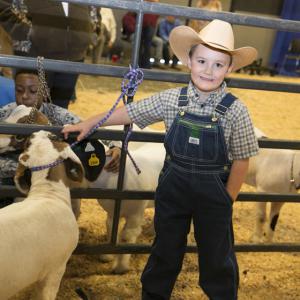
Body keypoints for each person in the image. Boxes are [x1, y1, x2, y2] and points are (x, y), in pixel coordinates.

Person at [62, 19, 258, 299]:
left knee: (217, 257)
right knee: (165, 250)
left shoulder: (236, 111)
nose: (208, 70)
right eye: (202, 60)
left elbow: (242, 159)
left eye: (218, 64)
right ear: (189, 61)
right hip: (173, 189)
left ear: (229, 68)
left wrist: (227, 199)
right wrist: (90, 123)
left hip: (214, 195)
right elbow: (132, 112)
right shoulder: (171, 100)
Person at [0, 69, 121, 207]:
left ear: (45, 92)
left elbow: (88, 126)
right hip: (8, 176)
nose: (25, 96)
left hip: (42, 177)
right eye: (19, 90)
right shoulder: (8, 111)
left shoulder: (56, 114)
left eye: (33, 91)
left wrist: (115, 145)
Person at [0, 1, 94, 109]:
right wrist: (25, 31)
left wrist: (90, 31)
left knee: (61, 110)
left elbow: (94, 7)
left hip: (74, 55)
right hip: (33, 53)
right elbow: (3, 5)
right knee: (29, 109)